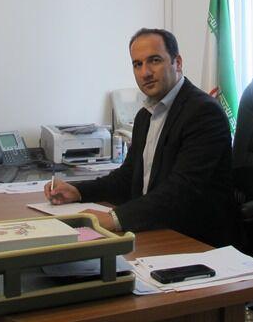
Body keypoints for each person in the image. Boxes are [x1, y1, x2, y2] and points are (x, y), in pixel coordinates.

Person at [44, 28, 236, 247]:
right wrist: (78, 191)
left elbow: (183, 190)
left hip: (194, 239)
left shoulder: (203, 113)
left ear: (177, 63)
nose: (145, 72)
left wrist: (115, 218)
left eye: (154, 60)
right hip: (153, 228)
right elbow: (128, 177)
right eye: (137, 64)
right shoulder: (146, 115)